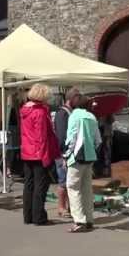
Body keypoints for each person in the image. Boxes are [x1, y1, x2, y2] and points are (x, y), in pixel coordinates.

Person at [20, 84, 60, 226]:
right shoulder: (40, 112)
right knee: (40, 186)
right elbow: (41, 137)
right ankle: (39, 217)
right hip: (38, 152)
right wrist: (45, 157)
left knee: (29, 184)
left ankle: (28, 216)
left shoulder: (24, 110)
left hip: (27, 152)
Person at [65, 96, 102, 233]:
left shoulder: (74, 116)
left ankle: (79, 220)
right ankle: (89, 218)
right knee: (87, 188)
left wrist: (66, 155)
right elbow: (98, 140)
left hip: (77, 157)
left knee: (73, 188)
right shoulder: (92, 117)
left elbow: (71, 138)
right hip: (90, 156)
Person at [53, 87, 81, 218]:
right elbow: (61, 135)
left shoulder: (72, 112)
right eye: (77, 98)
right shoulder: (62, 114)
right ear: (72, 98)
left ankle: (70, 207)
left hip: (71, 152)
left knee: (71, 182)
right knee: (63, 181)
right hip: (63, 153)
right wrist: (64, 154)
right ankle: (61, 207)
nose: (79, 101)